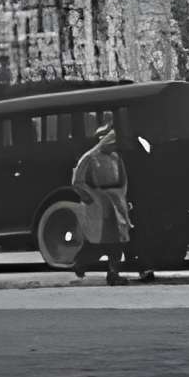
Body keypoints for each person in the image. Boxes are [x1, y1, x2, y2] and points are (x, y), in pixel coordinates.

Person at [69, 117, 134, 286]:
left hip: (116, 204)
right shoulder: (89, 158)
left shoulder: (116, 158)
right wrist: (90, 197)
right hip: (98, 205)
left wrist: (122, 197)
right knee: (100, 241)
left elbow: (123, 180)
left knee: (118, 241)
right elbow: (78, 181)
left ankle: (113, 274)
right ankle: (81, 263)